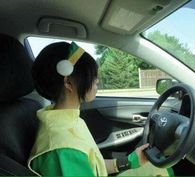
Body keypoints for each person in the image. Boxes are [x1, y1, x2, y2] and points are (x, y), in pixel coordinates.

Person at [27, 41, 150, 176]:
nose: (97, 80)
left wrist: (129, 162)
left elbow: (93, 166)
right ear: (68, 82)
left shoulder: (64, 120)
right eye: (91, 75)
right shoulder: (63, 147)